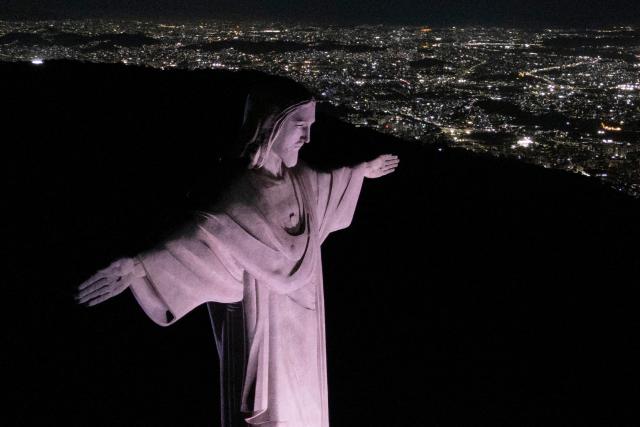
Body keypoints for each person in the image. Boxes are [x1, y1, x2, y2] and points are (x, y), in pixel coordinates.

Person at [75, 80, 399, 427]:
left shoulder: (301, 179)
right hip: (263, 323)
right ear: (270, 125)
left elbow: (328, 185)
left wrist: (361, 172)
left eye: (311, 127)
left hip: (302, 323)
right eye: (300, 126)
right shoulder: (237, 194)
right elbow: (200, 235)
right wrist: (141, 266)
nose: (307, 138)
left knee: (305, 405)